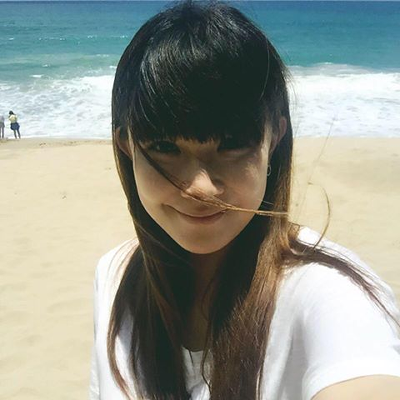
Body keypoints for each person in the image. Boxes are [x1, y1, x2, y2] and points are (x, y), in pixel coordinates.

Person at [89, 1, 400, 399]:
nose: (200, 187)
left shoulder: (330, 292)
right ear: (127, 145)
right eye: (165, 147)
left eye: (232, 143)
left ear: (275, 137)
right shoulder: (113, 276)